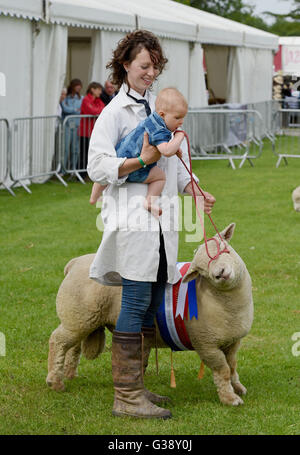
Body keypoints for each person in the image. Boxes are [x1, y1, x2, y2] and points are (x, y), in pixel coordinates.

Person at [87, 30, 216, 419]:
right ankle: (125, 396)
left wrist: (195, 190)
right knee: (136, 298)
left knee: (150, 302)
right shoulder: (114, 113)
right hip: (133, 219)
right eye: (144, 65)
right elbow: (97, 167)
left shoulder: (158, 109)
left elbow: (172, 167)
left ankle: (136, 387)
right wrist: (139, 163)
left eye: (154, 66)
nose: (150, 72)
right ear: (125, 65)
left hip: (162, 222)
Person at [89, 87, 188, 218]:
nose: (181, 122)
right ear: (163, 114)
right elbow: (166, 150)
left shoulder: (152, 119)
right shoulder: (161, 130)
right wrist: (179, 136)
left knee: (107, 174)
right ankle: (149, 202)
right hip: (136, 169)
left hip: (122, 153)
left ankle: (94, 197)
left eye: (183, 118)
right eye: (178, 118)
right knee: (160, 177)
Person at [79, 82, 105, 176]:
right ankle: (81, 174)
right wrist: (97, 111)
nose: (100, 92)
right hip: (84, 131)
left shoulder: (98, 100)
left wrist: (97, 110)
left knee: (91, 153)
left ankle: (88, 173)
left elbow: (103, 108)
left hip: (93, 131)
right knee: (84, 153)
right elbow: (92, 111)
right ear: (92, 89)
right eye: (98, 89)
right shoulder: (86, 99)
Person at [61, 79, 83, 173]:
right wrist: (75, 109)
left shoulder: (82, 98)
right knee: (65, 148)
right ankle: (63, 170)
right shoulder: (66, 98)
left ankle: (73, 169)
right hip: (67, 125)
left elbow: (81, 109)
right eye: (76, 85)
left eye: (80, 85)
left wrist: (72, 109)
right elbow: (64, 108)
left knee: (75, 148)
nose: (78, 87)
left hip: (77, 125)